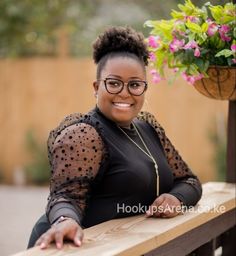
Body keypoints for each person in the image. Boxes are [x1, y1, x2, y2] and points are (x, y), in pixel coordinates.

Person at [28, 26, 202, 250]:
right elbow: (66, 196)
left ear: (144, 89)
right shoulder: (84, 134)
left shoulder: (148, 129)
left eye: (135, 84)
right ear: (96, 86)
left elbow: (189, 181)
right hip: (71, 246)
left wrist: (176, 199)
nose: (125, 92)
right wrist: (65, 221)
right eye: (114, 82)